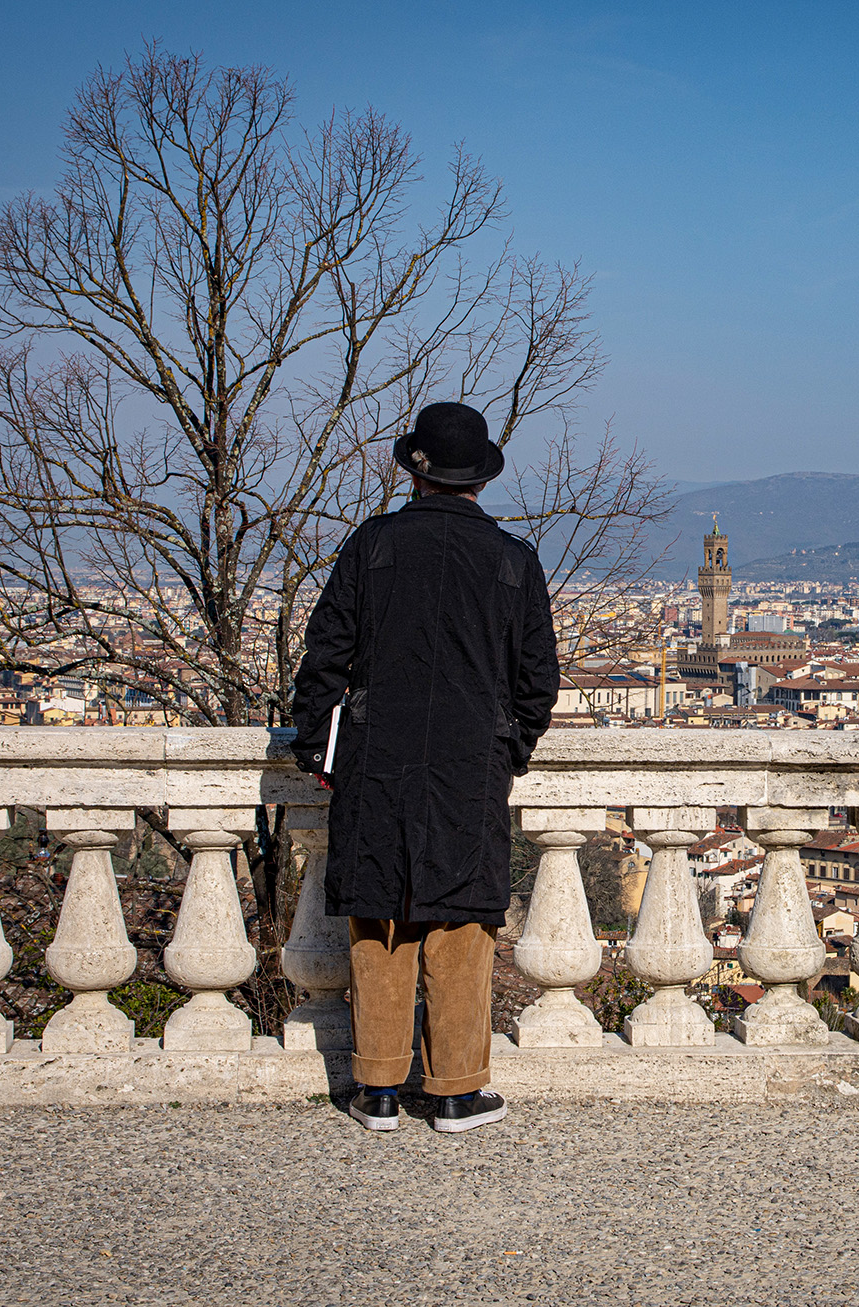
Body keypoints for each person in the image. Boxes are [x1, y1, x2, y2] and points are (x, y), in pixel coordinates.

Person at [291, 401, 558, 1133]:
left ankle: (377, 1088)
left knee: (382, 921)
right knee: (459, 925)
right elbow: (538, 684)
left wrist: (322, 749)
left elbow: (323, 661)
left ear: (418, 471)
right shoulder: (513, 561)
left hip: (377, 760)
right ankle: (453, 1090)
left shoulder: (371, 546)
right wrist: (509, 747)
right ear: (480, 480)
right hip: (470, 766)